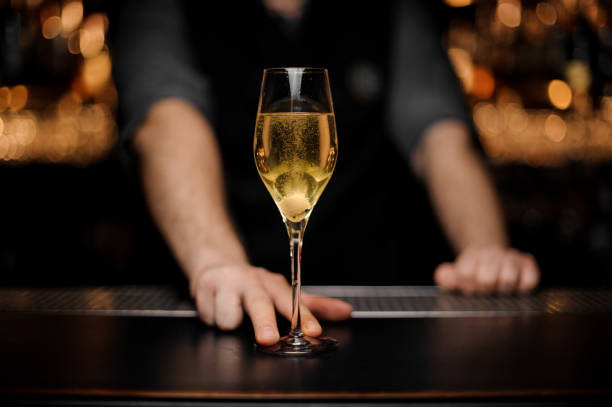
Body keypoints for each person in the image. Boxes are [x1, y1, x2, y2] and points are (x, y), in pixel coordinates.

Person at [112, 0, 540, 346]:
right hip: (212, 316)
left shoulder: (392, 8)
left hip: (366, 315)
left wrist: (485, 250)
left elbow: (441, 134)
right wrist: (216, 263)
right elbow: (165, 121)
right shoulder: (160, 8)